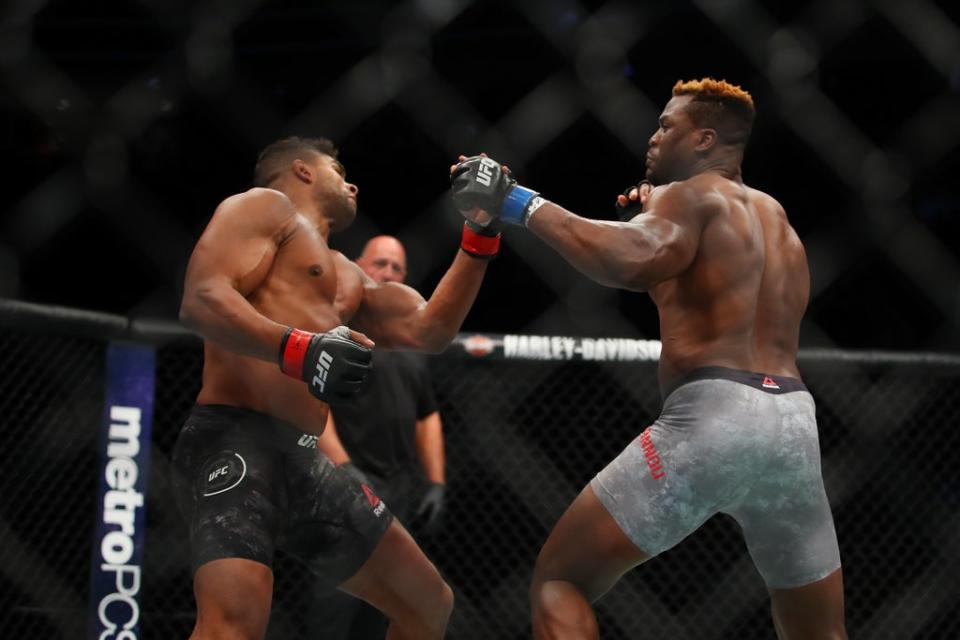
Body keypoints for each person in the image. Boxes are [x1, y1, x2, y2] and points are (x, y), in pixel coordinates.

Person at [449, 78, 847, 639]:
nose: (653, 136)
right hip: (793, 428)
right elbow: (702, 297)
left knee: (560, 580)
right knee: (819, 633)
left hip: (714, 417)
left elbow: (634, 261)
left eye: (667, 126)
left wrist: (519, 203)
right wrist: (647, 216)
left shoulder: (694, 195)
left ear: (705, 139)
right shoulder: (780, 223)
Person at [174, 135, 503, 640]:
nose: (351, 182)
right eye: (337, 168)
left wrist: (480, 227)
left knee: (428, 603)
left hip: (305, 459)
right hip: (234, 437)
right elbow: (201, 298)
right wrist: (299, 349)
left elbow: (429, 329)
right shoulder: (265, 208)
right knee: (232, 624)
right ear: (303, 171)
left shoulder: (347, 275)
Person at [311, 234, 449, 639]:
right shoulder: (340, 327)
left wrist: (436, 482)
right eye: (380, 264)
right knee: (333, 601)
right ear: (358, 266)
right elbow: (317, 404)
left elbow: (428, 415)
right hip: (343, 481)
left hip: (398, 485)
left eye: (397, 268)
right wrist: (345, 467)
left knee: (392, 601)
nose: (387, 272)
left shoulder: (412, 342)